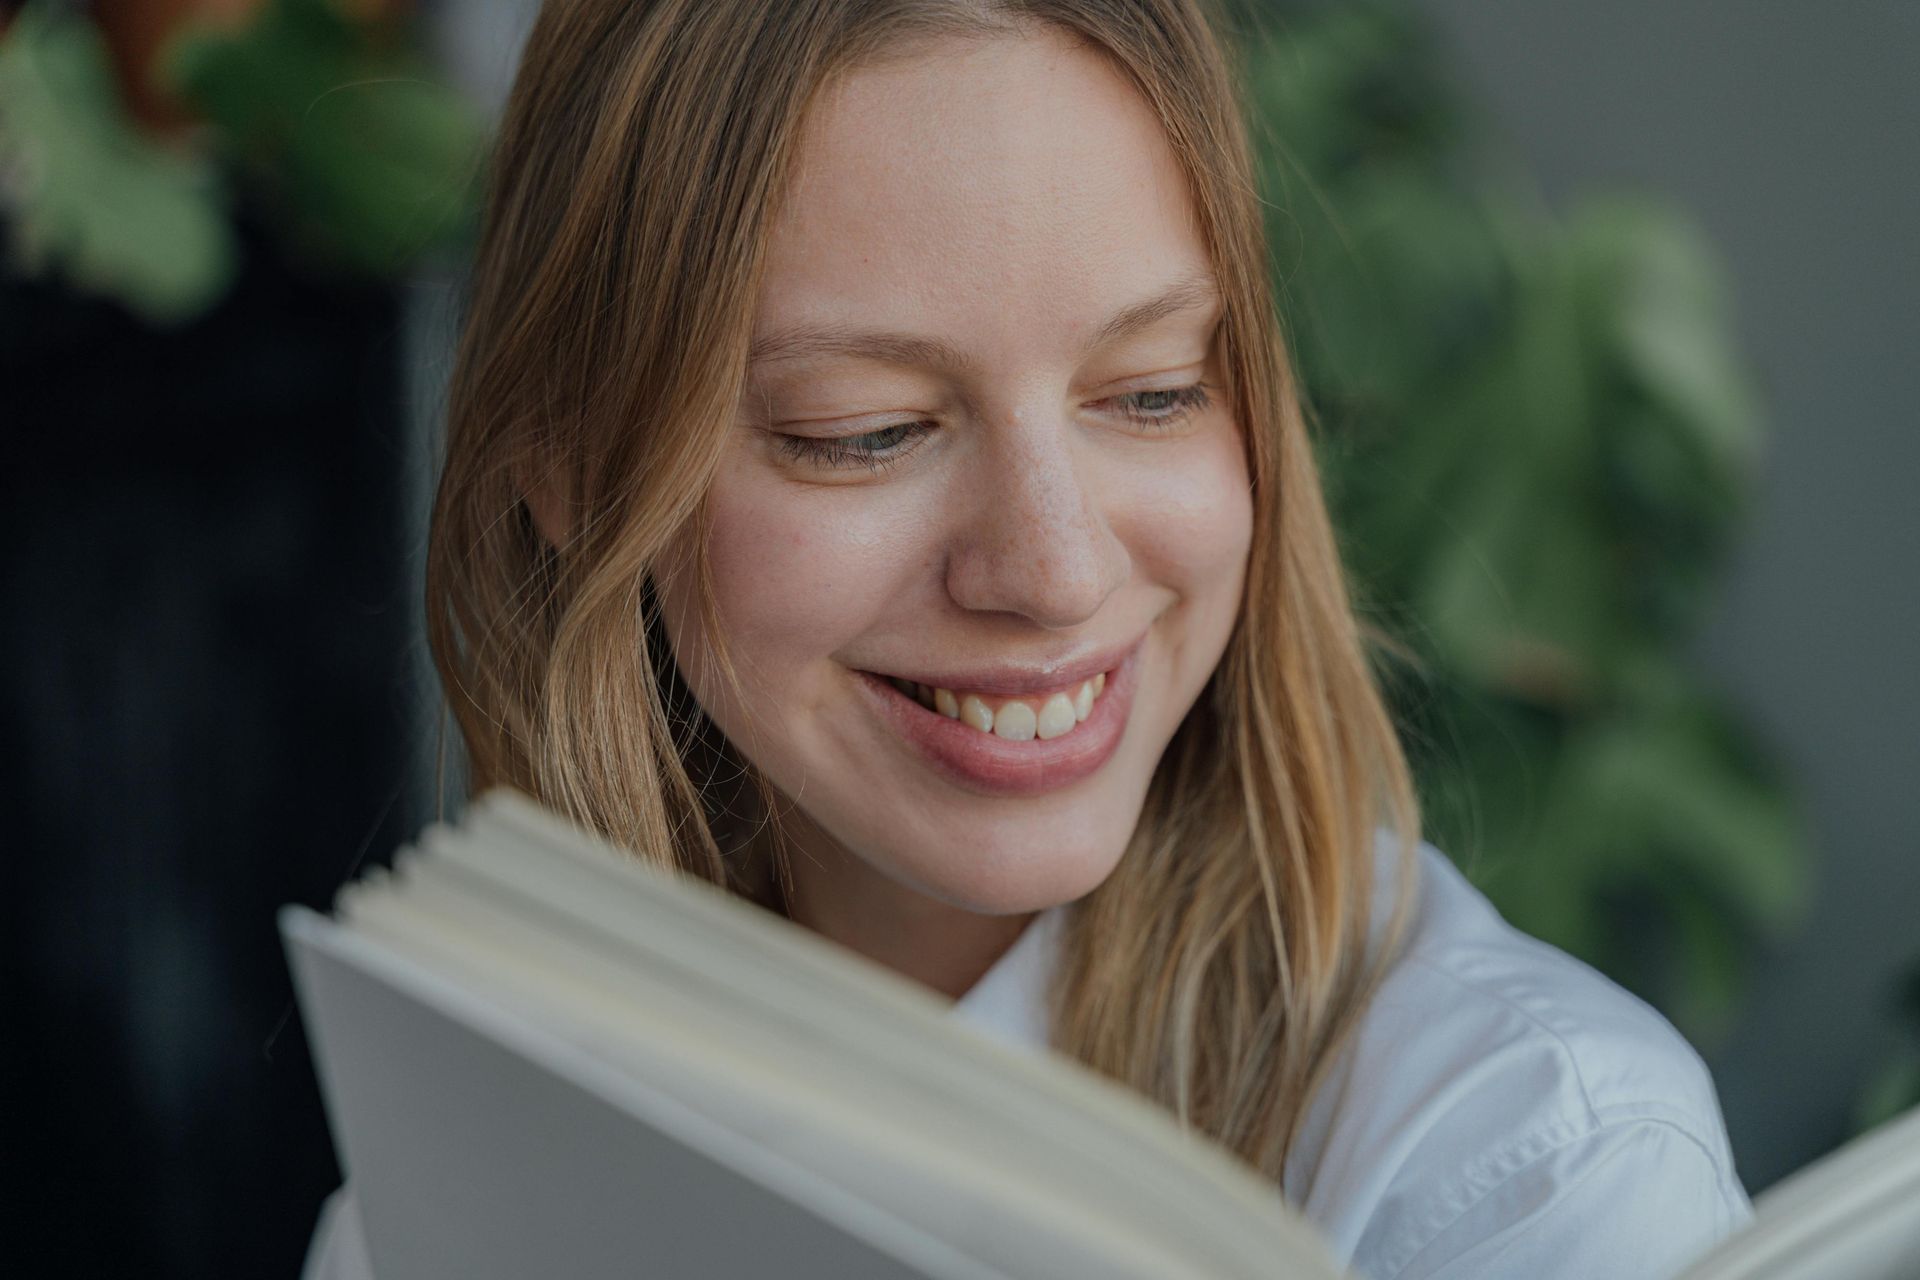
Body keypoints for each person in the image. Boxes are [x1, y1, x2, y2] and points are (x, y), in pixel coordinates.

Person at [302, 1, 1752, 1276]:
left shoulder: (1534, 1165)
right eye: (861, 433)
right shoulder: (467, 1165)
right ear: (570, 469)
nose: (1055, 574)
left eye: (1153, 393)